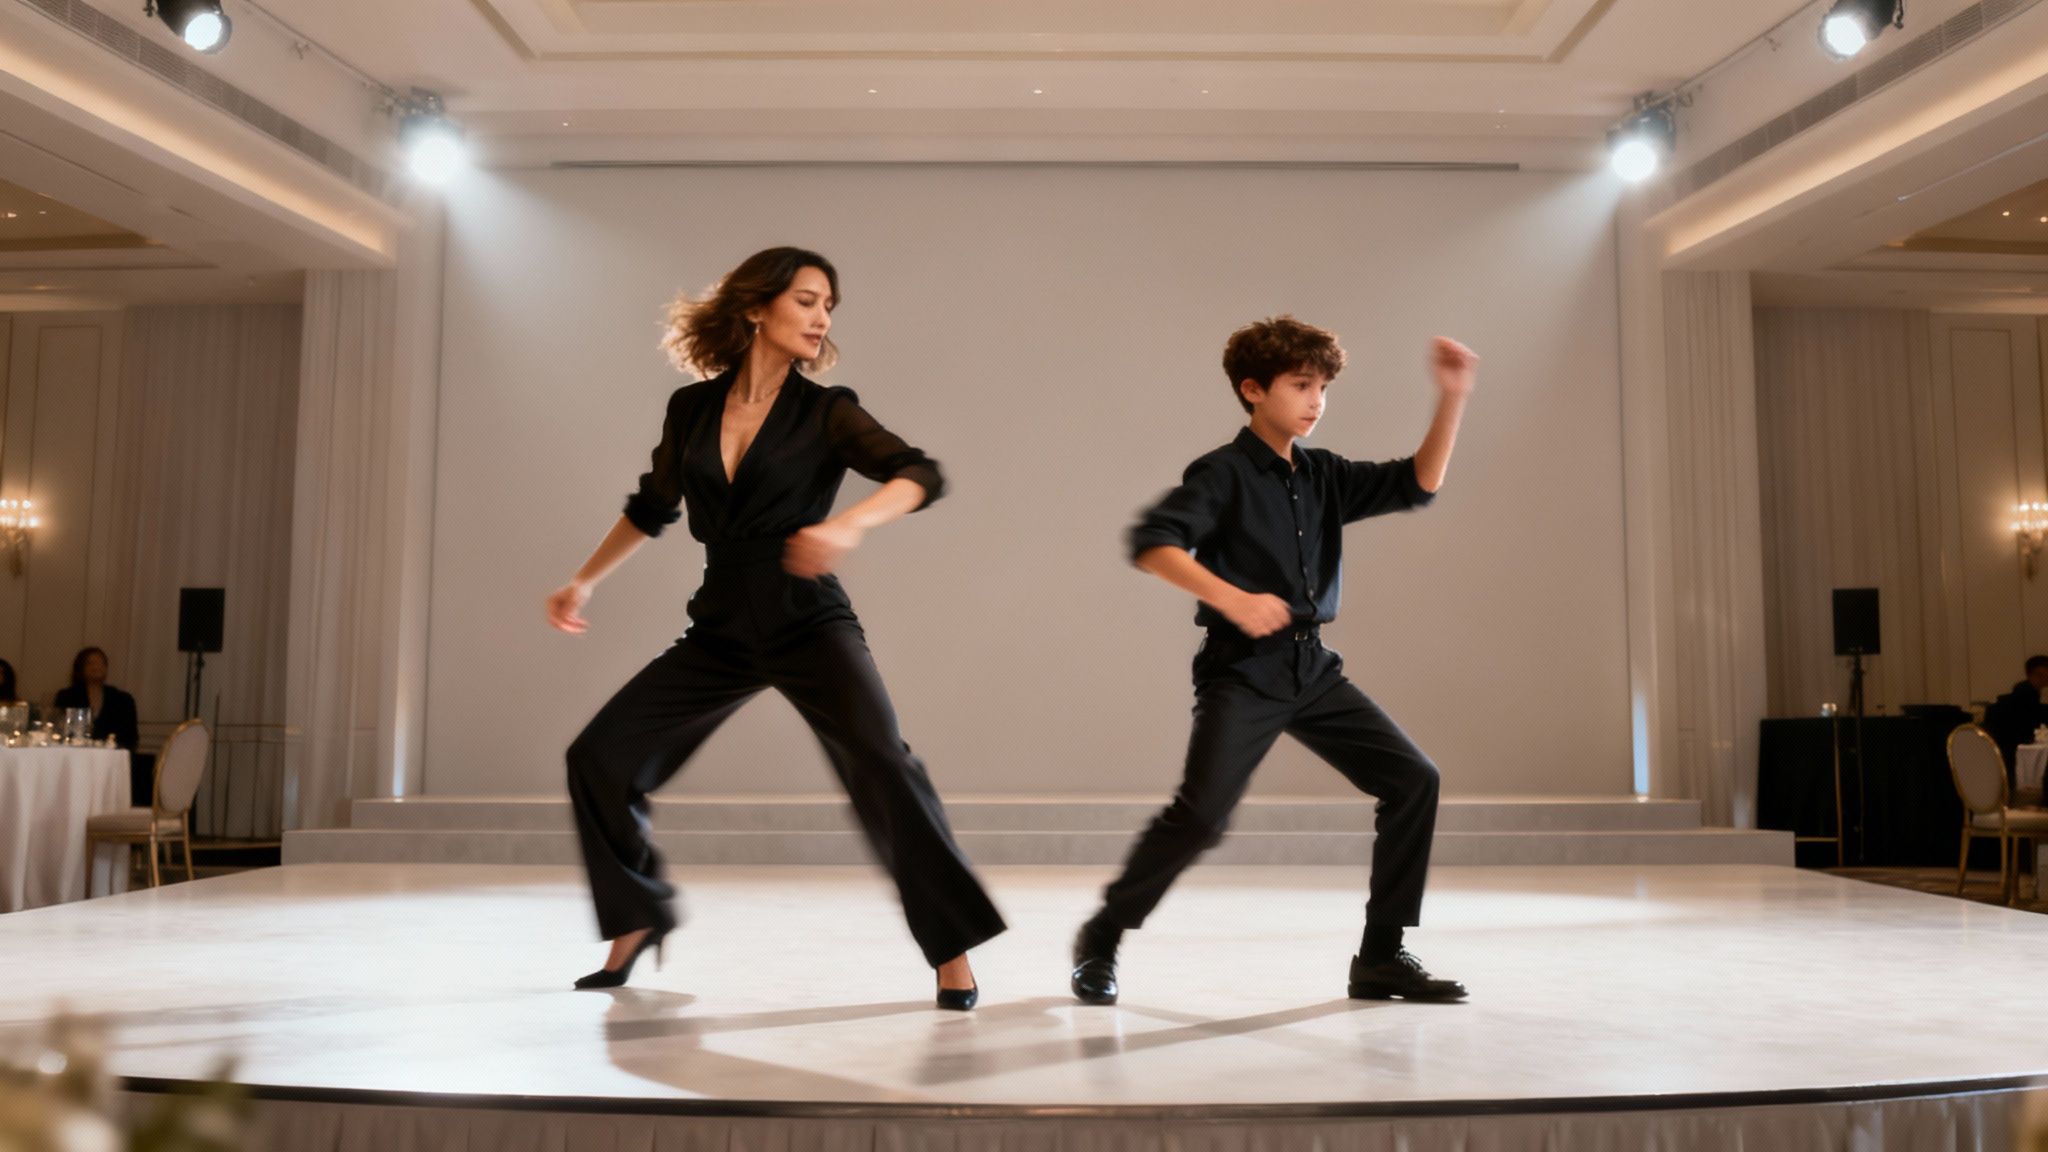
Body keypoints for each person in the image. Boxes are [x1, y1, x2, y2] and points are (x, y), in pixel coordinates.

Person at [548, 247, 1005, 1008]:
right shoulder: (690, 410)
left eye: (829, 304)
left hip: (806, 616)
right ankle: (636, 917)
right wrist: (582, 580)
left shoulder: (825, 410)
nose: (822, 316)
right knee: (598, 755)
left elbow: (921, 473)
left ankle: (951, 952)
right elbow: (651, 506)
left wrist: (850, 526)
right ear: (756, 308)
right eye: (806, 299)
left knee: (884, 765)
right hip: (721, 622)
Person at [1070, 316, 1477, 1006]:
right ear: (1253, 390)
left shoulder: (1323, 474)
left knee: (1414, 780)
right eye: (1300, 385)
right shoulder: (1221, 473)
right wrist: (1231, 598)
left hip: (1313, 669)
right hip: (1244, 670)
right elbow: (1152, 541)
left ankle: (1381, 958)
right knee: (1201, 817)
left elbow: (1417, 484)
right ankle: (1103, 935)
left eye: (1322, 387)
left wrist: (1453, 395)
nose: (1316, 400)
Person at [54, 646, 146, 803]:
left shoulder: (123, 699)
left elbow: (131, 737)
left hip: (111, 764)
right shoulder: (66, 696)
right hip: (76, 762)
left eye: (101, 662)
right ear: (80, 668)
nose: (96, 666)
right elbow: (60, 731)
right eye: (90, 663)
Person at [1985, 655, 2048, 777]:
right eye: (2042, 674)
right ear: (2033, 675)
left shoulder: (2022, 694)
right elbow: (2034, 722)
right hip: (2014, 751)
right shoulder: (2027, 697)